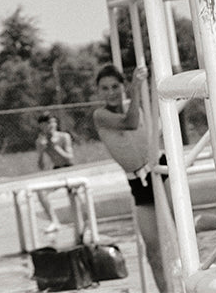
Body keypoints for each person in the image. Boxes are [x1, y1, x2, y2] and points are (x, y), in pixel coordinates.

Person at [92, 65, 174, 292]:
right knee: (153, 251)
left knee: (181, 231)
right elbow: (130, 123)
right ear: (98, 92)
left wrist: (139, 88)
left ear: (122, 86)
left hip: (158, 170)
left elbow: (142, 123)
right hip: (138, 183)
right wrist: (136, 88)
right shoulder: (100, 116)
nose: (111, 92)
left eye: (115, 86)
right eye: (104, 88)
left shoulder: (137, 106)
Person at [34, 111, 74, 234]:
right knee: (41, 192)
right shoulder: (40, 141)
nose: (50, 126)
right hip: (57, 171)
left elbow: (70, 158)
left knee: (75, 196)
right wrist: (41, 152)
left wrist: (55, 147)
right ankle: (54, 221)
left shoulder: (63, 137)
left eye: (52, 123)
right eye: (46, 124)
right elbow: (41, 167)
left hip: (69, 169)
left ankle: (80, 222)